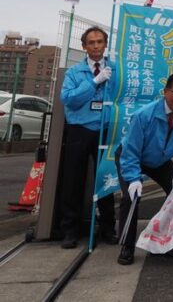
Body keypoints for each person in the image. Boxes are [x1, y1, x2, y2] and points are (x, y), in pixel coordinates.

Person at [116, 72, 173, 265]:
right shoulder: (144, 115)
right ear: (165, 91)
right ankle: (127, 246)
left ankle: (163, 242)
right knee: (131, 197)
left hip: (161, 160)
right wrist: (133, 178)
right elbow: (130, 150)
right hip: (134, 157)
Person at [58, 26, 117, 248]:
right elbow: (69, 99)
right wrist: (94, 82)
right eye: (91, 42)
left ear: (105, 44)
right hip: (80, 129)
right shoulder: (75, 73)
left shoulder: (115, 69)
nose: (95, 46)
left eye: (100, 41)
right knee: (73, 179)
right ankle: (69, 229)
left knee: (106, 178)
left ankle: (108, 227)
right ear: (84, 46)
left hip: (106, 128)